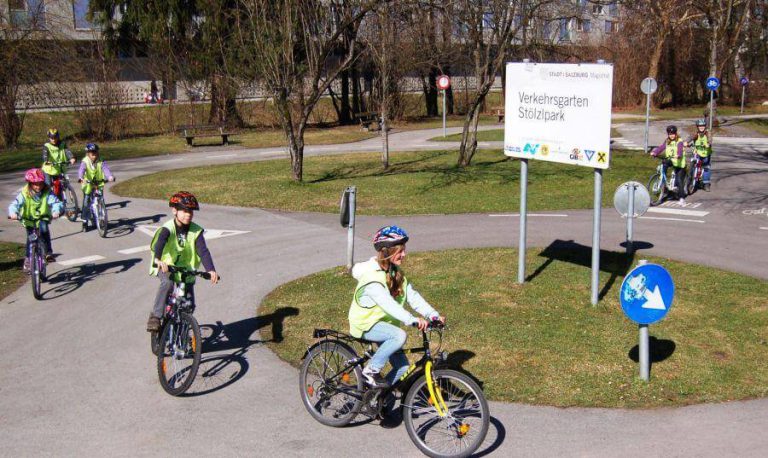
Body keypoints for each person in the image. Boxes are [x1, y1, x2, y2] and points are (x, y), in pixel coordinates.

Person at [348, 225, 445, 388]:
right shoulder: (372, 278)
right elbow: (389, 305)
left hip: (385, 326)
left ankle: (376, 400)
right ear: (386, 251)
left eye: (404, 250)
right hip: (365, 324)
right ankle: (371, 370)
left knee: (403, 368)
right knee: (399, 336)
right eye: (400, 251)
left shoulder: (396, 274)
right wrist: (412, 320)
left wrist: (433, 315)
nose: (404, 254)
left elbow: (414, 297)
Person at [147, 191, 219, 332]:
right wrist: (158, 259)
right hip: (166, 266)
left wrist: (210, 269)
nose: (188, 214)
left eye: (191, 211)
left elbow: (203, 251)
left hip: (186, 271)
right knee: (167, 283)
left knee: (189, 305)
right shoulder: (168, 228)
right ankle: (156, 316)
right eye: (185, 211)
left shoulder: (195, 231)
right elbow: (160, 243)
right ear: (174, 210)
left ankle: (183, 334)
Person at [8, 168, 63, 269]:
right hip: (29, 220)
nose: (38, 186)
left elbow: (56, 202)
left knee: (44, 230)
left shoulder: (47, 192)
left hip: (43, 218)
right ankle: (28, 259)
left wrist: (56, 211)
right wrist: (13, 213)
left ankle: (48, 252)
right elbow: (14, 204)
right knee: (30, 238)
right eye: (35, 184)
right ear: (30, 184)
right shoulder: (24, 194)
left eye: (40, 183)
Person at [77, 143, 115, 231]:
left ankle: (100, 216)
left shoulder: (101, 160)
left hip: (98, 183)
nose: (94, 155)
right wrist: (81, 178)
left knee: (100, 199)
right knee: (86, 202)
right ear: (88, 154)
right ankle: (85, 221)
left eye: (96, 153)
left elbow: (105, 169)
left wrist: (109, 176)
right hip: (88, 184)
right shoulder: (85, 161)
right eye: (92, 153)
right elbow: (81, 170)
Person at [650, 125, 687, 203]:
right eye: (670, 134)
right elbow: (661, 147)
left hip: (679, 163)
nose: (672, 135)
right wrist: (655, 152)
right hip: (671, 160)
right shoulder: (667, 141)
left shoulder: (679, 141)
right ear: (668, 134)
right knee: (664, 164)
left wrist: (678, 155)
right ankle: (664, 185)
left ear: (676, 133)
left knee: (679, 179)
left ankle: (681, 197)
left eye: (673, 133)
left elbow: (680, 149)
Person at [41, 128, 76, 199]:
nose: (53, 139)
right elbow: (45, 155)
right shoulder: (46, 146)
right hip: (49, 169)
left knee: (59, 186)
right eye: (51, 138)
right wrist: (47, 161)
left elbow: (67, 152)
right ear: (49, 138)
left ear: (58, 137)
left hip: (59, 168)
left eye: (55, 137)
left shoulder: (63, 144)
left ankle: (60, 204)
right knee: (48, 185)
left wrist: (72, 158)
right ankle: (45, 200)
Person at [684, 119, 713, 191]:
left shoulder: (707, 133)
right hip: (697, 152)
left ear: (705, 126)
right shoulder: (696, 133)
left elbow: (710, 139)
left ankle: (706, 184)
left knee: (706, 167)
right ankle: (691, 177)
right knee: (693, 164)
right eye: (700, 126)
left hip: (706, 153)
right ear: (697, 127)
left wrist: (708, 144)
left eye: (703, 126)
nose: (701, 127)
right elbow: (690, 137)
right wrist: (686, 142)